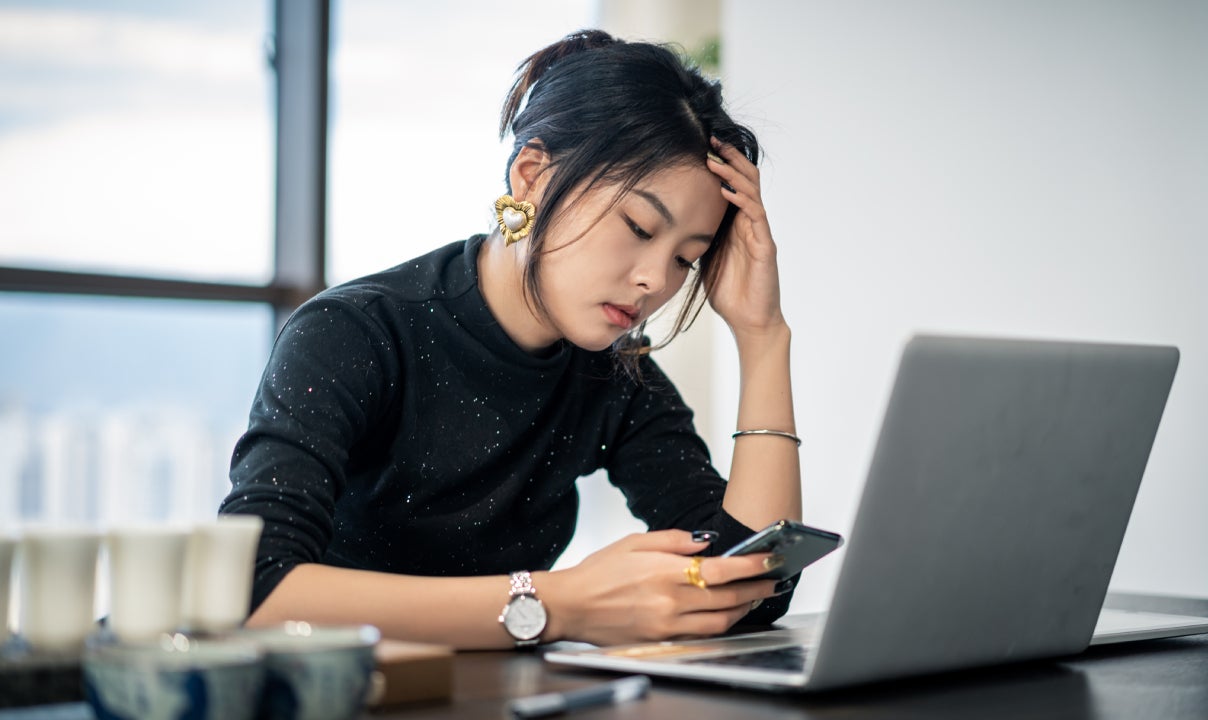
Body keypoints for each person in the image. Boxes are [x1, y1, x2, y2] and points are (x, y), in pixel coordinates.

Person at [220, 29, 801, 650]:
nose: (654, 280)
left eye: (687, 259)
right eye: (638, 227)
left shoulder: (612, 373)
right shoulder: (355, 333)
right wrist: (559, 604)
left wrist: (762, 336)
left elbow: (753, 588)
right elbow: (252, 589)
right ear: (532, 177)